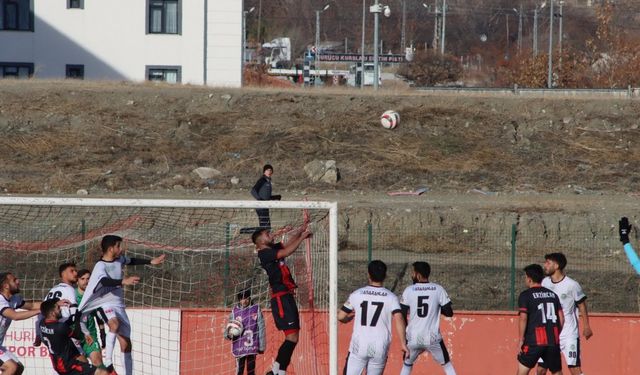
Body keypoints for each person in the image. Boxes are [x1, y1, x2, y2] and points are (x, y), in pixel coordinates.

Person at [77, 235, 166, 375]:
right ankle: (108, 361)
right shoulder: (100, 266)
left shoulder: (120, 259)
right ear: (111, 248)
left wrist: (151, 261)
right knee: (114, 324)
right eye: (118, 246)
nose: (121, 248)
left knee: (126, 344)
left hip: (118, 305)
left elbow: (131, 260)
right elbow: (104, 282)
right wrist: (122, 281)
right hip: (104, 302)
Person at [253, 224, 311, 375]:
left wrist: (300, 230)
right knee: (292, 337)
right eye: (267, 234)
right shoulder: (263, 253)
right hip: (280, 298)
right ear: (260, 241)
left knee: (294, 337)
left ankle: (276, 372)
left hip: (286, 295)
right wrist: (303, 238)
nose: (271, 235)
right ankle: (278, 371)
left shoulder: (271, 249)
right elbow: (287, 251)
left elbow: (287, 244)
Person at [337, 260, 408, 375]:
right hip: (380, 346)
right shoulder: (391, 297)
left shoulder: (357, 294)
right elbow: (399, 319)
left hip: (359, 345)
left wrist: (347, 319)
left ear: (368, 274)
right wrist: (403, 343)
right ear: (385, 276)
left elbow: (341, 316)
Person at [536, 253, 592, 375]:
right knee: (541, 369)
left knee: (574, 369)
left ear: (556, 266)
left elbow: (582, 305)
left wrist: (586, 326)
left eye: (548, 263)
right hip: (549, 334)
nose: (545, 265)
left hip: (568, 334)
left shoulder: (572, 285)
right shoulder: (544, 283)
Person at [399, 261, 457, 375]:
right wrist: (436, 307)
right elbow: (449, 312)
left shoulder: (409, 290)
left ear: (418, 275)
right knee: (446, 364)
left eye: (413, 272)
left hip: (413, 337)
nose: (412, 275)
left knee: (407, 364)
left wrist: (406, 332)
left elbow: (401, 314)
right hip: (432, 337)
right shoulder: (438, 289)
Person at [516, 264, 564, 375]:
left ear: (529, 279)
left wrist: (521, 340)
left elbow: (523, 318)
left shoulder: (525, 295)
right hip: (553, 341)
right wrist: (555, 334)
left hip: (534, 341)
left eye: (525, 277)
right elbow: (561, 319)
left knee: (522, 371)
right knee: (556, 371)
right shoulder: (553, 295)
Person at [39, 298, 108, 375]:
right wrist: (76, 317)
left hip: (58, 364)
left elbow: (63, 326)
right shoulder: (60, 327)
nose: (60, 309)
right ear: (52, 313)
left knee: (85, 362)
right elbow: (77, 335)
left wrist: (72, 318)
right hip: (69, 366)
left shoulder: (42, 324)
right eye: (58, 308)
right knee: (103, 372)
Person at [0, 272, 43, 375]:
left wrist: (52, 305)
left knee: (18, 368)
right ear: (6, 286)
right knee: (11, 367)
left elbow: (32, 305)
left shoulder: (14, 299)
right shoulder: (0, 300)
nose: (18, 282)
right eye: (14, 280)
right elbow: (15, 316)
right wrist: (40, 311)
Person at [34, 262, 80, 347]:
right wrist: (76, 331)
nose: (76, 273)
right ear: (63, 274)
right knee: (79, 358)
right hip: (63, 328)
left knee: (58, 357)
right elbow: (74, 312)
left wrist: (38, 334)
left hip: (47, 331)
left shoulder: (52, 289)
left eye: (76, 271)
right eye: (72, 271)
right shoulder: (69, 289)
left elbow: (42, 312)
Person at [224, 289, 266, 375]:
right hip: (239, 346)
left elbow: (261, 328)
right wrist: (228, 335)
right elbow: (228, 328)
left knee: (251, 371)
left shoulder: (256, 309)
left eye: (247, 298)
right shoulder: (234, 311)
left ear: (250, 298)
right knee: (239, 371)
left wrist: (262, 346)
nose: (244, 301)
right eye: (242, 298)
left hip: (252, 346)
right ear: (239, 299)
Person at [76, 269, 105, 368]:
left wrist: (102, 334)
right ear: (77, 281)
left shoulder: (94, 296)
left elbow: (98, 316)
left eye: (88, 278)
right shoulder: (72, 295)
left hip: (90, 336)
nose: (86, 281)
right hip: (75, 337)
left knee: (98, 363)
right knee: (81, 367)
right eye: (82, 279)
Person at [250, 164, 281, 229]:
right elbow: (253, 191)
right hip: (261, 207)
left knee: (267, 227)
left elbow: (266, 196)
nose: (269, 171)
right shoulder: (262, 180)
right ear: (264, 172)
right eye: (267, 170)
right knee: (265, 227)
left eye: (270, 170)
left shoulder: (268, 181)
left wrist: (275, 197)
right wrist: (260, 200)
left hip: (265, 206)